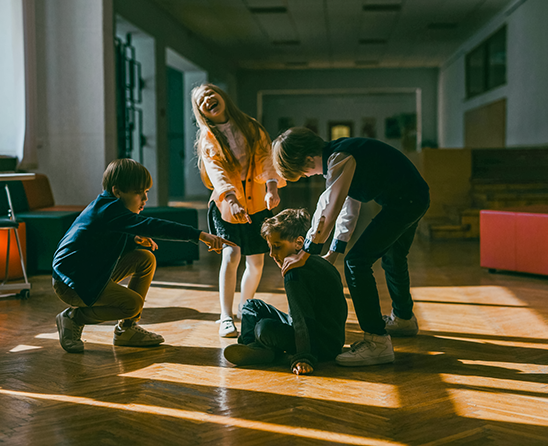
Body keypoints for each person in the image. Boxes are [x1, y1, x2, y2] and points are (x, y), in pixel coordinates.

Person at [272, 127, 430, 366]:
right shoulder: (343, 154)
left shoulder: (339, 158)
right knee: (393, 258)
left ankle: (377, 341)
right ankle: (404, 319)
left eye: (304, 173)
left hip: (405, 202)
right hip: (413, 198)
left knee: (357, 262)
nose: (309, 176)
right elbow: (348, 208)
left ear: (307, 159)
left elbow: (328, 207)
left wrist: (307, 252)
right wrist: (333, 252)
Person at [52, 158, 234, 353]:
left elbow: (97, 241)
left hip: (88, 274)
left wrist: (133, 240)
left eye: (146, 192)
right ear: (117, 191)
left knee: (144, 259)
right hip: (72, 284)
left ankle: (126, 330)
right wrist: (199, 235)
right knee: (133, 304)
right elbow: (153, 225)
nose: (145, 199)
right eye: (139, 193)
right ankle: (72, 318)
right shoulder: (109, 211)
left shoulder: (108, 206)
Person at [191, 83, 285, 338]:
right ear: (202, 113)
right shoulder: (208, 138)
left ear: (222, 96)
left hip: (256, 204)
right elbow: (217, 174)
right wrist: (231, 200)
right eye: (201, 101)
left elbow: (267, 158)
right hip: (225, 204)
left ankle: (247, 309)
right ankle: (225, 316)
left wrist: (272, 187)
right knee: (231, 255)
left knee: (256, 262)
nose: (207, 99)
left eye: (210, 93)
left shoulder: (251, 126)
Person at [223, 208, 347, 375]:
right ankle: (254, 347)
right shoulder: (318, 261)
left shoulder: (294, 273)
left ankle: (261, 348)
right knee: (251, 305)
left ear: (299, 243)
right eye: (270, 247)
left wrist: (304, 357)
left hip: (320, 344)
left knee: (263, 328)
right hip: (326, 337)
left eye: (277, 246)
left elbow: (302, 318)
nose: (272, 254)